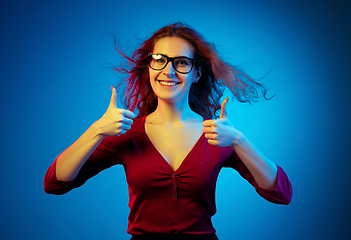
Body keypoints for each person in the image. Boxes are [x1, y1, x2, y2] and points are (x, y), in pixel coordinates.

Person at [44, 23, 293, 240]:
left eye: (181, 62)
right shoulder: (127, 133)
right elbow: (56, 183)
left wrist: (239, 140)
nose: (168, 71)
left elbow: (281, 193)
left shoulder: (218, 134)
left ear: (196, 74)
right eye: (159, 60)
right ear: (149, 67)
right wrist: (96, 130)